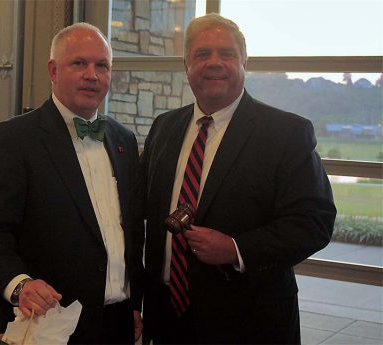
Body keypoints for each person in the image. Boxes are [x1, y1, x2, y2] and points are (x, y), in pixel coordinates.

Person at [140, 13, 336, 344]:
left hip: (249, 322)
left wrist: (235, 248)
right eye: (202, 54)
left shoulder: (286, 133)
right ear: (186, 65)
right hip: (167, 318)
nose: (214, 63)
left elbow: (313, 223)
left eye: (226, 54)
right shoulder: (164, 127)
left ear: (244, 62)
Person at [0, 22, 144, 344]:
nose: (92, 74)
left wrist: (134, 303)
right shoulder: (15, 139)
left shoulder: (124, 140)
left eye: (101, 65)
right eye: (79, 63)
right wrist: (19, 285)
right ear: (53, 70)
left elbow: (129, 234)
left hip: (117, 325)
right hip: (46, 323)